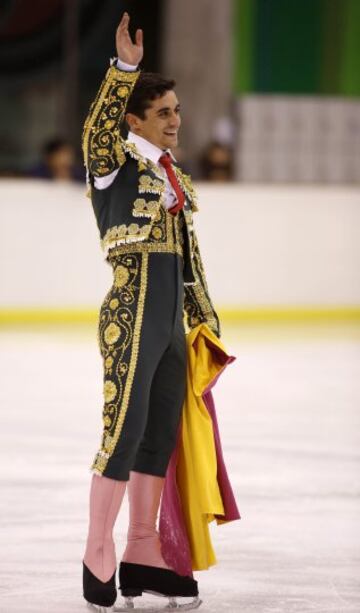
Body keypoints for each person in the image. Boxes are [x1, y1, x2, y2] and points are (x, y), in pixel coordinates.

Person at [82, 12, 220, 611]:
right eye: (162, 112)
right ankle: (96, 549)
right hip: (132, 316)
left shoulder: (174, 179)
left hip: (167, 324)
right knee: (124, 432)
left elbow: (189, 260)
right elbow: (96, 132)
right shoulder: (114, 165)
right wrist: (124, 71)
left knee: (159, 433)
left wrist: (204, 322)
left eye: (178, 110)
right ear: (134, 120)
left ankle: (142, 545)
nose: (175, 121)